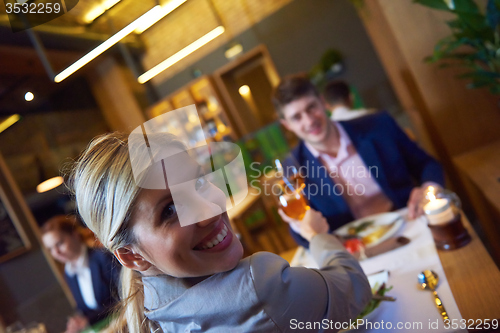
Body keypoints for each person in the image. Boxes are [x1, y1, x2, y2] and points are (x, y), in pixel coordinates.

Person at [69, 132, 371, 333]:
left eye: (199, 182)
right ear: (132, 256)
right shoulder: (258, 286)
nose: (208, 210)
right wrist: (317, 235)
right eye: (170, 210)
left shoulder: (152, 312)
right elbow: (355, 288)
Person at [272, 75, 445, 247]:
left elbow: (427, 164)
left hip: (409, 225)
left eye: (311, 108)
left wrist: (428, 188)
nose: (309, 121)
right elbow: (306, 237)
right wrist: (298, 225)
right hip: (354, 250)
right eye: (296, 117)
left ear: (323, 102)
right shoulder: (292, 168)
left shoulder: (379, 125)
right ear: (287, 125)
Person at [41, 215, 120, 333]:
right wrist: (77, 321)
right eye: (51, 249)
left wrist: (89, 320)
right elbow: (84, 309)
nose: (56, 252)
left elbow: (126, 297)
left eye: (59, 243)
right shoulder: (69, 273)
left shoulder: (103, 257)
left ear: (75, 235)